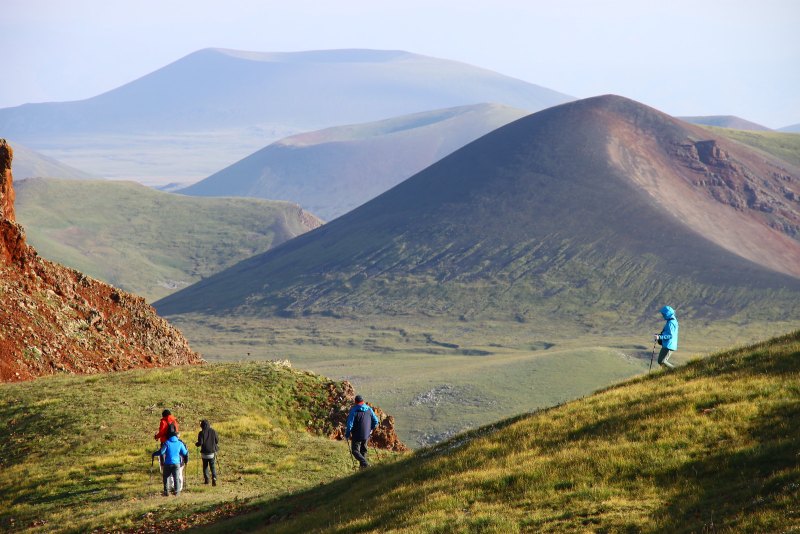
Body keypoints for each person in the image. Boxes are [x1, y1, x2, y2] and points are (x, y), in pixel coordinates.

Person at [344, 394, 379, 469]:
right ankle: (363, 469)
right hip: (366, 435)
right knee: (363, 451)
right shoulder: (369, 409)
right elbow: (376, 421)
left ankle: (365, 464)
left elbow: (349, 425)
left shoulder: (354, 410)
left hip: (357, 435)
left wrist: (347, 434)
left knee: (355, 451)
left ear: (355, 402)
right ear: (363, 401)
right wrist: (370, 429)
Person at [152, 430, 189, 496]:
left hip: (167, 463)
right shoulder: (179, 443)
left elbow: (161, 452)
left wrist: (154, 454)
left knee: (166, 477)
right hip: (176, 463)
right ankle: (177, 492)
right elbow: (185, 452)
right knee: (176, 478)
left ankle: (166, 492)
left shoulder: (167, 443)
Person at [654, 305, 679, 370]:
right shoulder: (673, 321)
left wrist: (659, 337)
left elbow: (670, 335)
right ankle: (668, 373)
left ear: (667, 313)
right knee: (661, 361)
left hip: (669, 345)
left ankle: (676, 370)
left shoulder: (671, 323)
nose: (663, 315)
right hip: (668, 344)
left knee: (662, 361)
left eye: (664, 314)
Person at [196, 419, 219, 486]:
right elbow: (217, 441)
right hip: (212, 452)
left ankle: (207, 480)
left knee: (205, 466)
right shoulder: (213, 431)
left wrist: (197, 444)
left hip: (204, 452)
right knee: (212, 466)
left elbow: (200, 442)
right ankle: (214, 478)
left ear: (202, 425)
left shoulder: (201, 433)